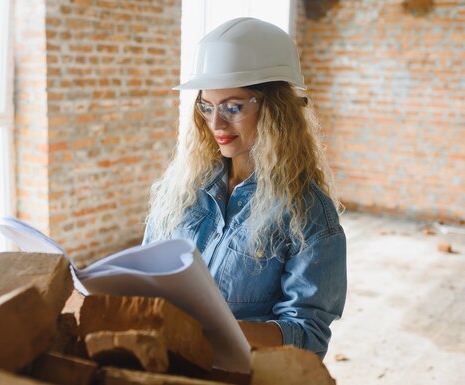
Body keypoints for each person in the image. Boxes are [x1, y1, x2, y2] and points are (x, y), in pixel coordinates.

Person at [143, 17, 346, 359]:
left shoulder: (308, 214)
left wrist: (210, 334)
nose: (215, 123)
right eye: (206, 107)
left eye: (232, 107)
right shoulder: (181, 188)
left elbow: (308, 335)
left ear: (275, 110)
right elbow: (145, 270)